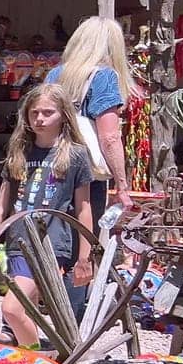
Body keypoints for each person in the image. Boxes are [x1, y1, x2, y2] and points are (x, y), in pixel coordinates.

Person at [0, 84, 94, 346]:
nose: (39, 119)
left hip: (51, 246)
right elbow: (0, 204)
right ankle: (31, 361)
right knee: (21, 312)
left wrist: (86, 257)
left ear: (63, 115)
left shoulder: (75, 155)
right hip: (18, 243)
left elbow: (84, 207)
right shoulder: (19, 153)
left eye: (48, 113)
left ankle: (36, 361)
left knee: (12, 309)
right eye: (34, 113)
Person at [45, 16, 134, 217]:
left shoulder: (54, 74)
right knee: (84, 237)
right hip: (86, 175)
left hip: (51, 166)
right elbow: (109, 137)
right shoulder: (105, 76)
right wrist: (121, 184)